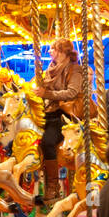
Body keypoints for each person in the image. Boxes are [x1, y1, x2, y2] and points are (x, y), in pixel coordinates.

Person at [34, 38, 86, 199]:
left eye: (53, 49)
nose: (49, 51)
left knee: (47, 142)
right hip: (47, 112)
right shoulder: (49, 70)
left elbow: (71, 92)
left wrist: (46, 94)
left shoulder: (75, 70)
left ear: (63, 51)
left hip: (63, 116)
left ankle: (53, 186)